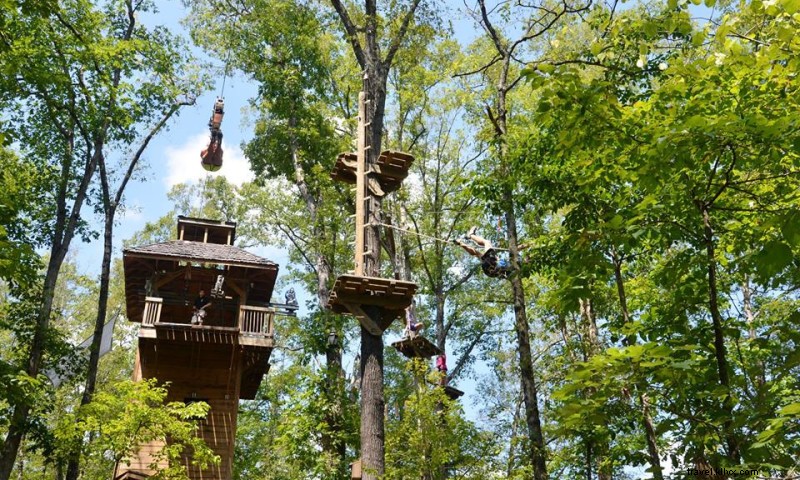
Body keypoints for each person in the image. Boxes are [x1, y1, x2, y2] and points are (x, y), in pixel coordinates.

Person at [454, 227, 528, 279]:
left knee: (487, 242)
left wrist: (527, 245)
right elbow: (516, 250)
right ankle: (460, 243)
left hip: (493, 265)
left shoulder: (519, 262)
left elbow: (515, 249)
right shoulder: (518, 267)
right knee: (477, 253)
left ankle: (470, 235)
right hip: (490, 271)